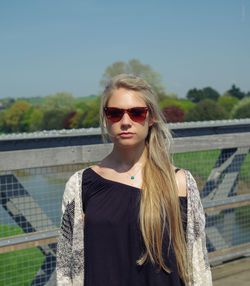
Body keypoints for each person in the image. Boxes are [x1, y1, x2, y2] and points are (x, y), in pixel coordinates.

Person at [56, 74, 212, 286]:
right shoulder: (80, 185)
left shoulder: (181, 182)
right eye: (115, 113)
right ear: (105, 118)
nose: (126, 122)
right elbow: (66, 268)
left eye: (137, 113)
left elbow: (197, 264)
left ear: (151, 118)